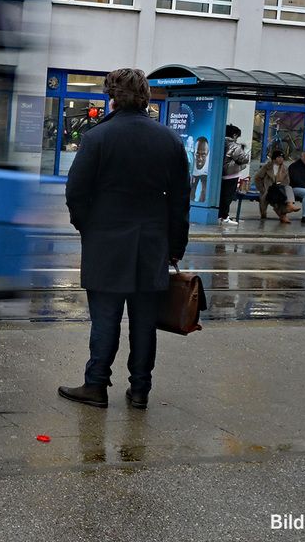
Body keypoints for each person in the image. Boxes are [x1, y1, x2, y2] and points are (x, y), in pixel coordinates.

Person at [59, 68, 189, 410]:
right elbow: (179, 202)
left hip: (106, 244)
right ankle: (140, 390)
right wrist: (175, 247)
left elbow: (75, 192)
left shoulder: (98, 138)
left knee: (105, 318)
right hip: (152, 244)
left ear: (112, 96)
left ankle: (96, 385)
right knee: (145, 322)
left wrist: (88, 226)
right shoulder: (169, 141)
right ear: (146, 97)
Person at [254, 149, 299, 224]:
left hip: (280, 189)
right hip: (268, 190)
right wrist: (261, 189)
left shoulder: (284, 168)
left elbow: (287, 181)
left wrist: (281, 186)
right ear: (274, 158)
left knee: (288, 188)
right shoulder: (267, 167)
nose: (281, 159)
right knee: (274, 197)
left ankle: (290, 205)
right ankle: (283, 216)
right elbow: (257, 178)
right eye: (279, 157)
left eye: (282, 157)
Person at [219, 125, 250, 225]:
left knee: (221, 195)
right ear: (234, 135)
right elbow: (244, 159)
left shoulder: (220, 142)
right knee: (227, 196)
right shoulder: (234, 145)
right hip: (231, 174)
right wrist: (244, 150)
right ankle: (224, 217)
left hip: (220, 174)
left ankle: (220, 215)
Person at [190, 136, 210, 203]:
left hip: (205, 173)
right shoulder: (191, 157)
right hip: (194, 173)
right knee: (192, 188)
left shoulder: (210, 161)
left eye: (203, 154)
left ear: (207, 153)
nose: (200, 158)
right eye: (197, 154)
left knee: (204, 190)